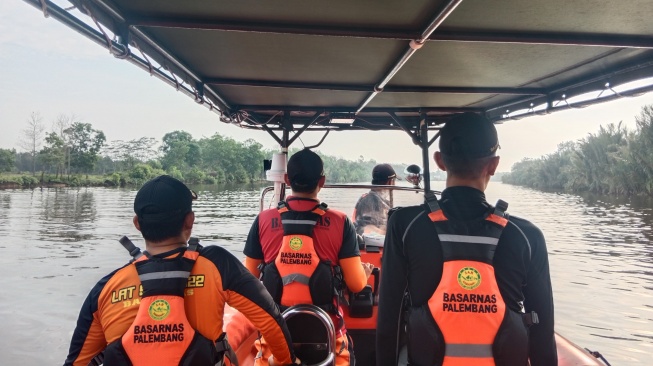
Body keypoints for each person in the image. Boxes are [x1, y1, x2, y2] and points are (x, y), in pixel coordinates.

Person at [376, 113, 557, 366]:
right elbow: (543, 334)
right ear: (494, 165)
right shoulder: (527, 236)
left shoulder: (405, 226)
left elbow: (389, 323)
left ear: (439, 161)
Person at [64, 175, 299, 366]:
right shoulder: (217, 264)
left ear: (137, 224)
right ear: (190, 220)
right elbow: (270, 320)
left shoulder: (106, 287)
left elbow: (76, 362)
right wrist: (283, 362)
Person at [244, 148, 374, 366]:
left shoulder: (263, 220)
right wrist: (366, 272)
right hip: (327, 337)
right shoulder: (341, 222)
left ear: (286, 180)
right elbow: (356, 284)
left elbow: (248, 279)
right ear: (321, 180)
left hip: (275, 339)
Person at [352, 163, 397, 235]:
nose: (395, 185)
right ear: (390, 182)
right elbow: (366, 228)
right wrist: (391, 236)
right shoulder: (371, 201)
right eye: (394, 181)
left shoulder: (377, 200)